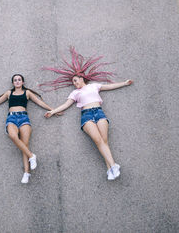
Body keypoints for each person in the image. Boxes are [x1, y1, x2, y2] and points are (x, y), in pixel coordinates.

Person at [41, 47, 133, 180]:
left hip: (99, 113)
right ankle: (113, 165)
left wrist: (124, 83)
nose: (74, 83)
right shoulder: (75, 93)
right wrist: (53, 111)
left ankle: (110, 170)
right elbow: (66, 105)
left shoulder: (94, 86)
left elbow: (109, 86)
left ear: (81, 78)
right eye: (73, 82)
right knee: (97, 140)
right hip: (87, 115)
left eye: (75, 80)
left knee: (104, 141)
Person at [0, 74, 57, 184]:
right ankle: (32, 156)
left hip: (24, 118)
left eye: (19, 80)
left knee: (24, 146)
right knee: (12, 135)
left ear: (23, 82)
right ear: (13, 83)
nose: (17, 81)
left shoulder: (27, 93)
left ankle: (26, 173)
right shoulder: (9, 93)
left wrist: (53, 110)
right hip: (11, 118)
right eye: (15, 80)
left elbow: (39, 102)